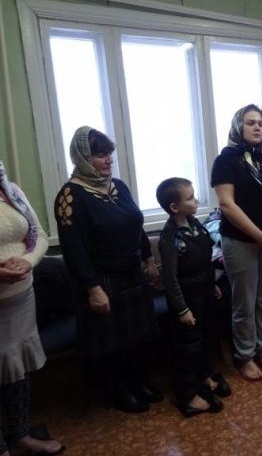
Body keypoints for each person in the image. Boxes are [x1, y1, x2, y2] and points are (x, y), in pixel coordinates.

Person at [54, 126, 162, 413]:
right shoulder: (70, 195)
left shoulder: (119, 186)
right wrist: (92, 288)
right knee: (112, 342)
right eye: (101, 155)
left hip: (132, 274)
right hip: (101, 280)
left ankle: (138, 382)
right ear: (83, 157)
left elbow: (135, 223)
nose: (109, 160)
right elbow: (73, 249)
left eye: (109, 154)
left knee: (137, 336)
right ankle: (118, 391)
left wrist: (148, 258)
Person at [211, 104, 262, 382]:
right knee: (244, 302)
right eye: (250, 122)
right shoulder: (226, 161)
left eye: (261, 123)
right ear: (238, 126)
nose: (258, 127)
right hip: (241, 241)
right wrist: (259, 235)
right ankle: (245, 355)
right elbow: (226, 204)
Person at [0, 161, 64, 456]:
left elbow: (38, 234)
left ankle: (20, 436)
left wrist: (27, 261)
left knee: (17, 368)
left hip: (21, 298)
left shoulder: (11, 191)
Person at [156, 177, 231, 418]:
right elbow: (170, 280)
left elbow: (204, 261)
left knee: (207, 337)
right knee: (188, 346)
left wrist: (212, 285)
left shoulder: (195, 224)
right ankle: (187, 395)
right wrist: (182, 310)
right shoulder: (170, 238)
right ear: (174, 207)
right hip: (186, 300)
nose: (196, 200)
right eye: (190, 198)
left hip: (204, 293)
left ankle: (205, 375)